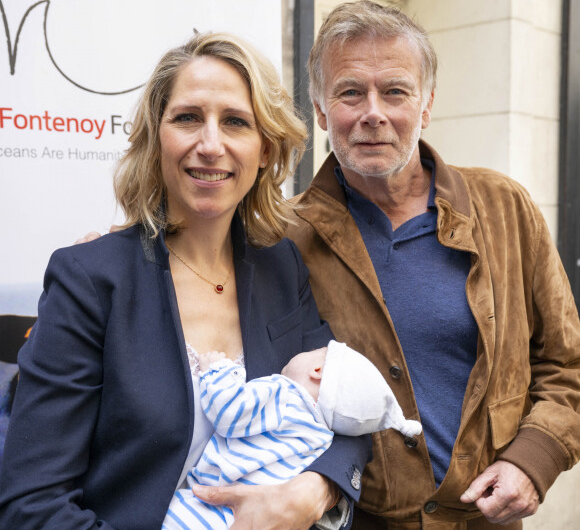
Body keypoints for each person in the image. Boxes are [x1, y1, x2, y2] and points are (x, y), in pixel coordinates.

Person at [0, 31, 371, 530]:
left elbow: (346, 403)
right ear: (158, 138)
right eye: (188, 118)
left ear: (265, 149)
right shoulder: (91, 279)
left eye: (236, 122)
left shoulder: (280, 267)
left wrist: (316, 489)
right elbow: (32, 504)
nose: (210, 144)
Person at [276, 0, 580, 529]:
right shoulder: (283, 238)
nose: (374, 111)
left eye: (395, 90)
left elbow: (567, 364)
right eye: (350, 92)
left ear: (426, 105)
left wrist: (533, 461)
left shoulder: (504, 208)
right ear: (322, 112)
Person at [163, 341, 422, 530]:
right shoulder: (322, 438)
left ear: (317, 370)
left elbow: (229, 414)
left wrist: (216, 371)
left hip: (205, 510)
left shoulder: (284, 395)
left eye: (313, 351)